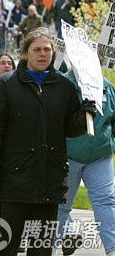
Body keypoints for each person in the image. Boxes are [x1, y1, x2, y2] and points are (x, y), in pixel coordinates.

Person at [0, 27, 96, 255]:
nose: (43, 54)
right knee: (7, 246)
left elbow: (70, 128)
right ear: (25, 53)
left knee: (41, 246)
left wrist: (84, 115)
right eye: (37, 49)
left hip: (49, 181)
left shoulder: (64, 87)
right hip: (14, 180)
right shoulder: (5, 87)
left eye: (47, 49)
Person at [56, 72, 115, 256]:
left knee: (106, 202)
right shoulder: (62, 84)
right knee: (61, 205)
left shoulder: (106, 86)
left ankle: (112, 248)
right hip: (68, 156)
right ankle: (54, 245)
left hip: (100, 156)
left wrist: (110, 143)